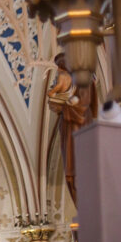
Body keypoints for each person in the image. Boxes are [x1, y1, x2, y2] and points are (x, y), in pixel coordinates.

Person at [47, 52, 97, 204]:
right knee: (70, 167)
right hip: (68, 129)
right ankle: (81, 202)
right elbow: (55, 103)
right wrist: (57, 100)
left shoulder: (84, 83)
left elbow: (82, 107)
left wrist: (66, 104)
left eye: (62, 70)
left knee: (79, 166)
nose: (59, 74)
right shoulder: (66, 84)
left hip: (79, 128)